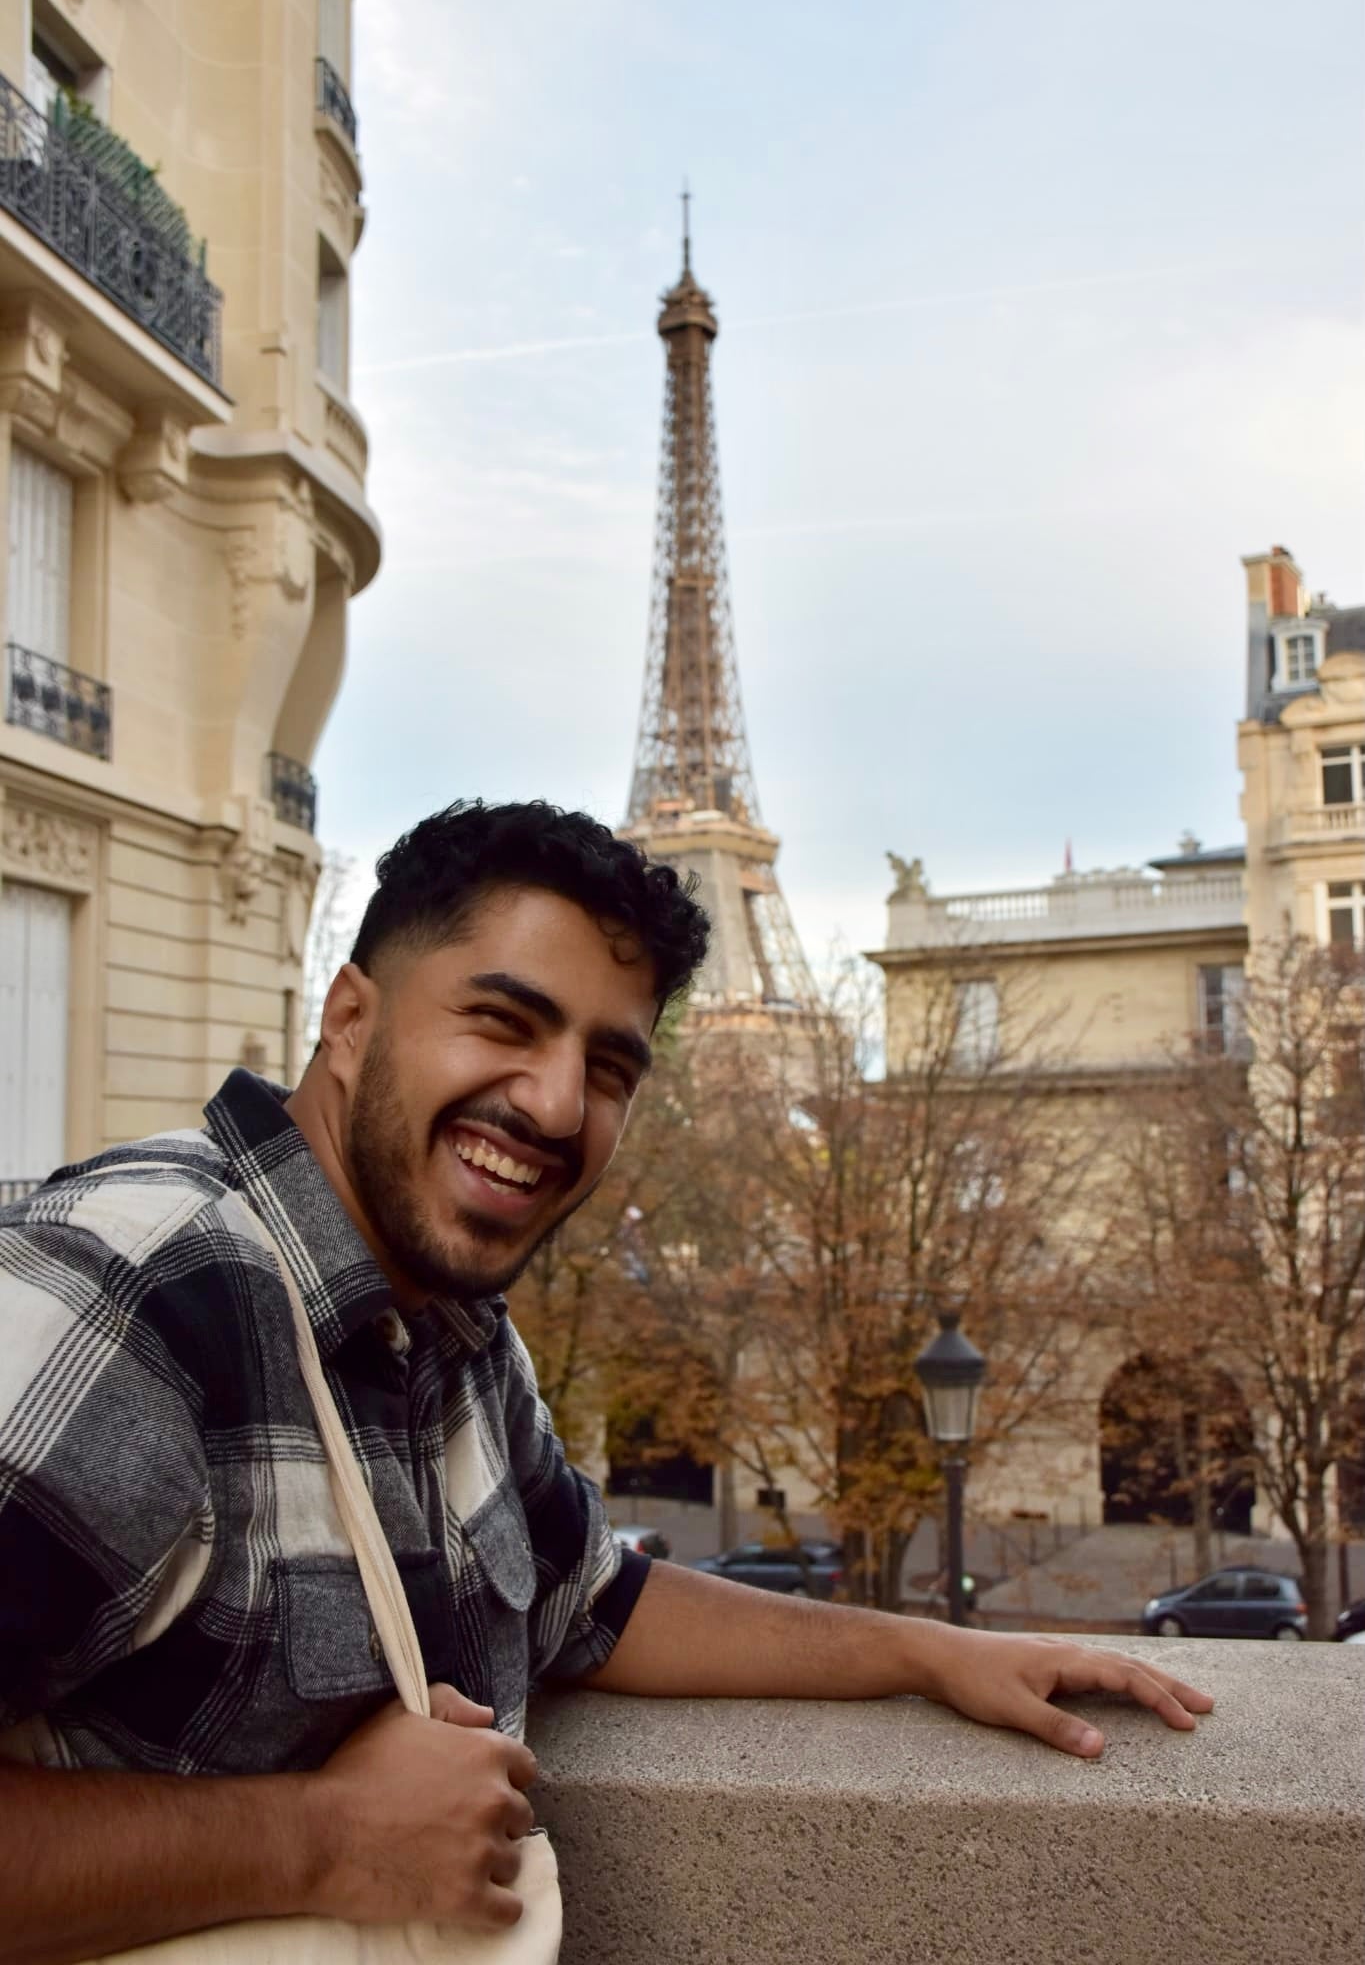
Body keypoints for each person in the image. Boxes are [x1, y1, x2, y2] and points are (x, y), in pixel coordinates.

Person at [0, 801, 1213, 1963]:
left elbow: (598, 1598)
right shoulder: (133, 1289)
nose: (557, 1101)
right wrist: (321, 1840)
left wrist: (930, 1650)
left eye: (613, 1065)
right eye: (504, 1021)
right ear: (352, 1018)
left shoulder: (454, 1327)